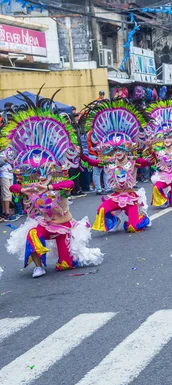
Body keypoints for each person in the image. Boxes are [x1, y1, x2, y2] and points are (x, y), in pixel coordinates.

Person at [2, 93, 103, 278]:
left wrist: (48, 188)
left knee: (66, 265)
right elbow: (13, 188)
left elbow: (70, 183)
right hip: (46, 225)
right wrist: (24, 189)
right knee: (32, 234)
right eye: (37, 171)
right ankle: (39, 265)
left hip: (64, 227)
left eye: (44, 171)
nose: (40, 176)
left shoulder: (58, 182)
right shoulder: (31, 183)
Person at [79, 99, 152, 233]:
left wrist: (151, 149)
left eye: (121, 150)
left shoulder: (134, 160)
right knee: (101, 210)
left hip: (130, 198)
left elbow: (151, 162)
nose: (118, 153)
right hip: (116, 197)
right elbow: (92, 162)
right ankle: (114, 220)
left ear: (126, 149)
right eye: (115, 150)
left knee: (132, 227)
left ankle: (141, 218)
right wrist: (80, 155)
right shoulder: (109, 161)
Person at [0, 149, 16, 221]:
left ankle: (4, 211)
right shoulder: (2, 149)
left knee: (8, 193)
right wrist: (5, 159)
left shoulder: (10, 148)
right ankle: (7, 213)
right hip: (3, 173)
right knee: (6, 193)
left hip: (10, 173)